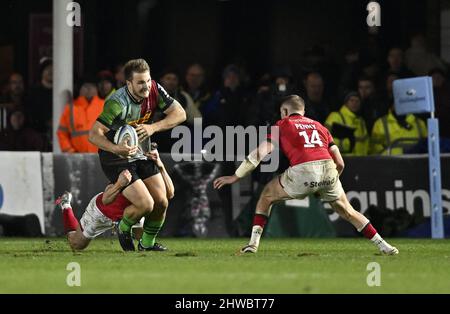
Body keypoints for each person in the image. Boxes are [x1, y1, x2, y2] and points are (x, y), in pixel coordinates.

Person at [213, 95, 398, 255]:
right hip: (328, 168)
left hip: (303, 169)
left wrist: (236, 176)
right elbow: (340, 162)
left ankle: (253, 244)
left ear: (285, 111)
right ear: (302, 110)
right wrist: (329, 182)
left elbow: (260, 153)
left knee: (267, 194)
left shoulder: (282, 124)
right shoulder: (320, 126)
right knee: (348, 211)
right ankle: (384, 245)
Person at [89, 58, 186, 251]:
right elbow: (93, 134)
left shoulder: (155, 90)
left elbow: (181, 114)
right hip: (115, 156)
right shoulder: (117, 102)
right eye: (141, 82)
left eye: (148, 80)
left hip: (140, 150)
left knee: (162, 201)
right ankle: (123, 227)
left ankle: (147, 244)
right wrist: (117, 149)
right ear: (128, 83)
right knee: (145, 204)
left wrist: (153, 127)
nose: (146, 86)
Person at [57, 148, 174, 251]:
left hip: (132, 215)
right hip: (103, 213)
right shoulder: (125, 171)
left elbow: (170, 194)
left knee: (143, 239)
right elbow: (106, 199)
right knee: (76, 244)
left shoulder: (147, 168)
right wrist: (119, 184)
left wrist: (160, 165)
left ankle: (137, 239)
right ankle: (65, 205)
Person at [57, 80, 104, 153]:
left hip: (101, 156)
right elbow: (62, 133)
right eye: (86, 87)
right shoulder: (70, 108)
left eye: (91, 87)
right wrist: (70, 151)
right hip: (77, 157)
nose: (88, 90)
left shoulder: (105, 106)